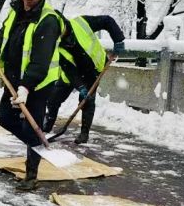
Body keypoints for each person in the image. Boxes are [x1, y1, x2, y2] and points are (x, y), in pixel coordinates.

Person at [0, 0, 62, 191]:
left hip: (38, 84)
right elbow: (2, 35)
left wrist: (27, 87)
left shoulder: (48, 20)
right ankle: (37, 143)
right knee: (5, 119)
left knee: (32, 123)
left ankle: (31, 175)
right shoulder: (15, 12)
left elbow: (40, 61)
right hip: (13, 79)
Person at [43, 15, 126, 144]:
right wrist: (80, 86)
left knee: (87, 101)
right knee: (53, 98)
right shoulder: (56, 44)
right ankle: (47, 124)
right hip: (72, 74)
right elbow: (69, 69)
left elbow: (107, 21)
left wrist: (118, 40)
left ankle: (84, 133)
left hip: (94, 70)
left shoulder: (81, 23)